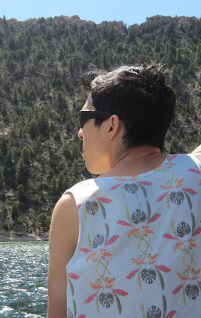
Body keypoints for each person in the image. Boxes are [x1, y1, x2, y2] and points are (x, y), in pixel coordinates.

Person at [47, 64, 201, 318]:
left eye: (84, 119)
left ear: (111, 125)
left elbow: (58, 311)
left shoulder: (76, 206)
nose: (80, 133)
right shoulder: (195, 172)